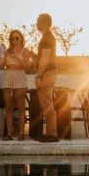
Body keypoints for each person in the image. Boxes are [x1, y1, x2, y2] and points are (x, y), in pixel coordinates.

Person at [0, 29, 32, 140]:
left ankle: (21, 133)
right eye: (12, 38)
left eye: (17, 38)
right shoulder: (6, 51)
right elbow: (1, 66)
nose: (14, 40)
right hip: (8, 78)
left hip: (19, 78)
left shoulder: (25, 51)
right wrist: (4, 57)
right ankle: (9, 133)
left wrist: (16, 56)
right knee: (8, 107)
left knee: (21, 107)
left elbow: (26, 65)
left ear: (21, 39)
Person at [35, 13, 59, 143]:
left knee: (47, 104)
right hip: (49, 72)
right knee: (46, 104)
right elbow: (42, 58)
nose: (36, 23)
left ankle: (52, 134)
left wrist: (38, 75)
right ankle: (50, 133)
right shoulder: (47, 37)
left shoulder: (47, 38)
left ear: (44, 22)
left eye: (38, 20)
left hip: (47, 73)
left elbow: (45, 59)